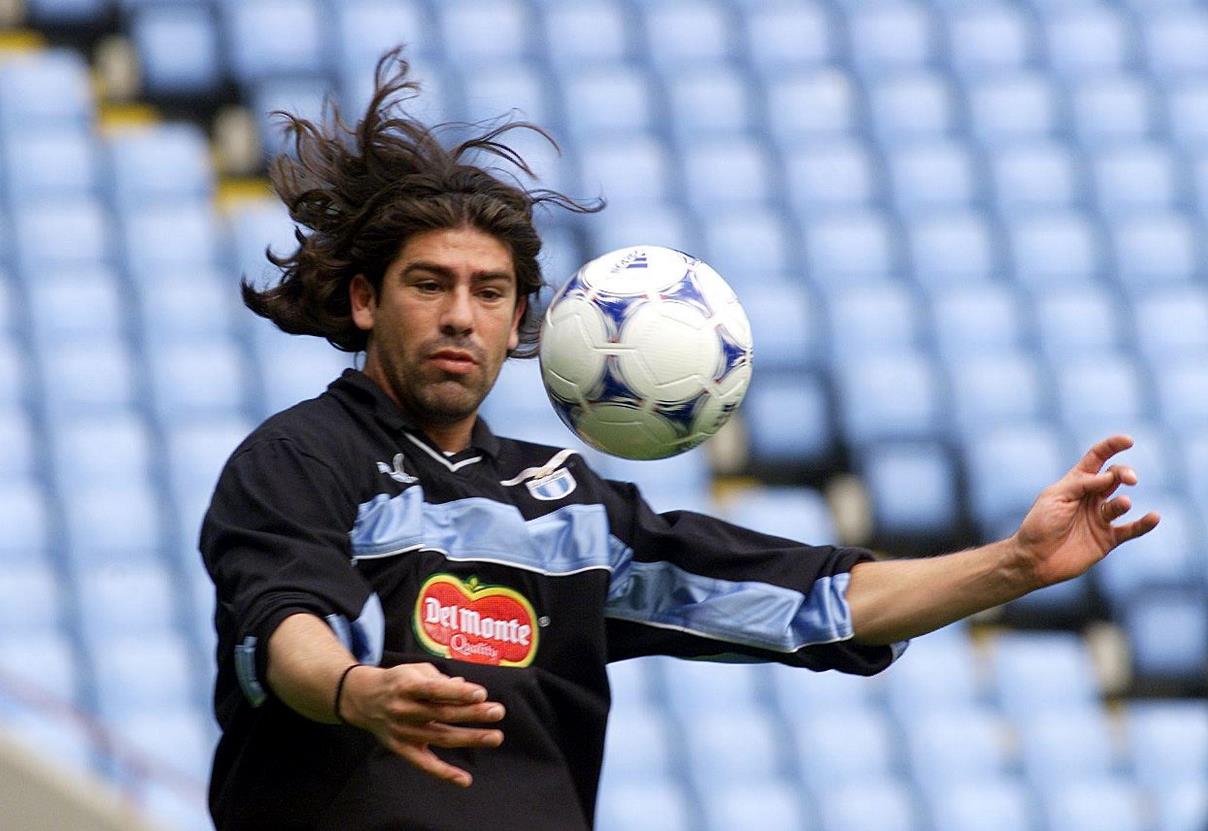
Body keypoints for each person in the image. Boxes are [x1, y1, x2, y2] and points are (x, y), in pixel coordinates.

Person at [201, 51, 1160, 831]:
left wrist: (1015, 563)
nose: (460, 315)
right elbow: (287, 626)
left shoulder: (570, 508)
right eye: (428, 284)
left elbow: (814, 599)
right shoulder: (299, 459)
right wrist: (356, 691)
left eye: (487, 292)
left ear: (522, 319)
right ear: (367, 300)